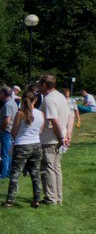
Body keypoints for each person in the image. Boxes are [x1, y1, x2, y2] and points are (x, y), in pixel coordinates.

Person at [3, 90, 45, 208]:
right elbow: (40, 130)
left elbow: (14, 131)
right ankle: (37, 199)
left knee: (15, 174)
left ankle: (10, 200)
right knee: (35, 173)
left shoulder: (20, 114)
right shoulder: (41, 114)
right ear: (35, 100)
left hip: (21, 145)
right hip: (36, 144)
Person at [38, 74, 71, 205]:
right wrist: (67, 134)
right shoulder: (61, 96)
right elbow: (70, 117)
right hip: (58, 138)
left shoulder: (49, 99)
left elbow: (54, 120)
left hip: (50, 139)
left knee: (48, 169)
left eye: (40, 84)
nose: (38, 87)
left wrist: (62, 137)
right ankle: (58, 198)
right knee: (56, 169)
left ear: (44, 85)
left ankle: (51, 198)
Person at [0, 86, 17, 179]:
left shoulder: (8, 104)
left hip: (6, 131)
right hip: (10, 131)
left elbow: (7, 119)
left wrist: (0, 128)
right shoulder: (13, 103)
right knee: (9, 153)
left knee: (5, 154)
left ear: (3, 94)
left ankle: (2, 174)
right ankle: (7, 172)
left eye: (0, 93)